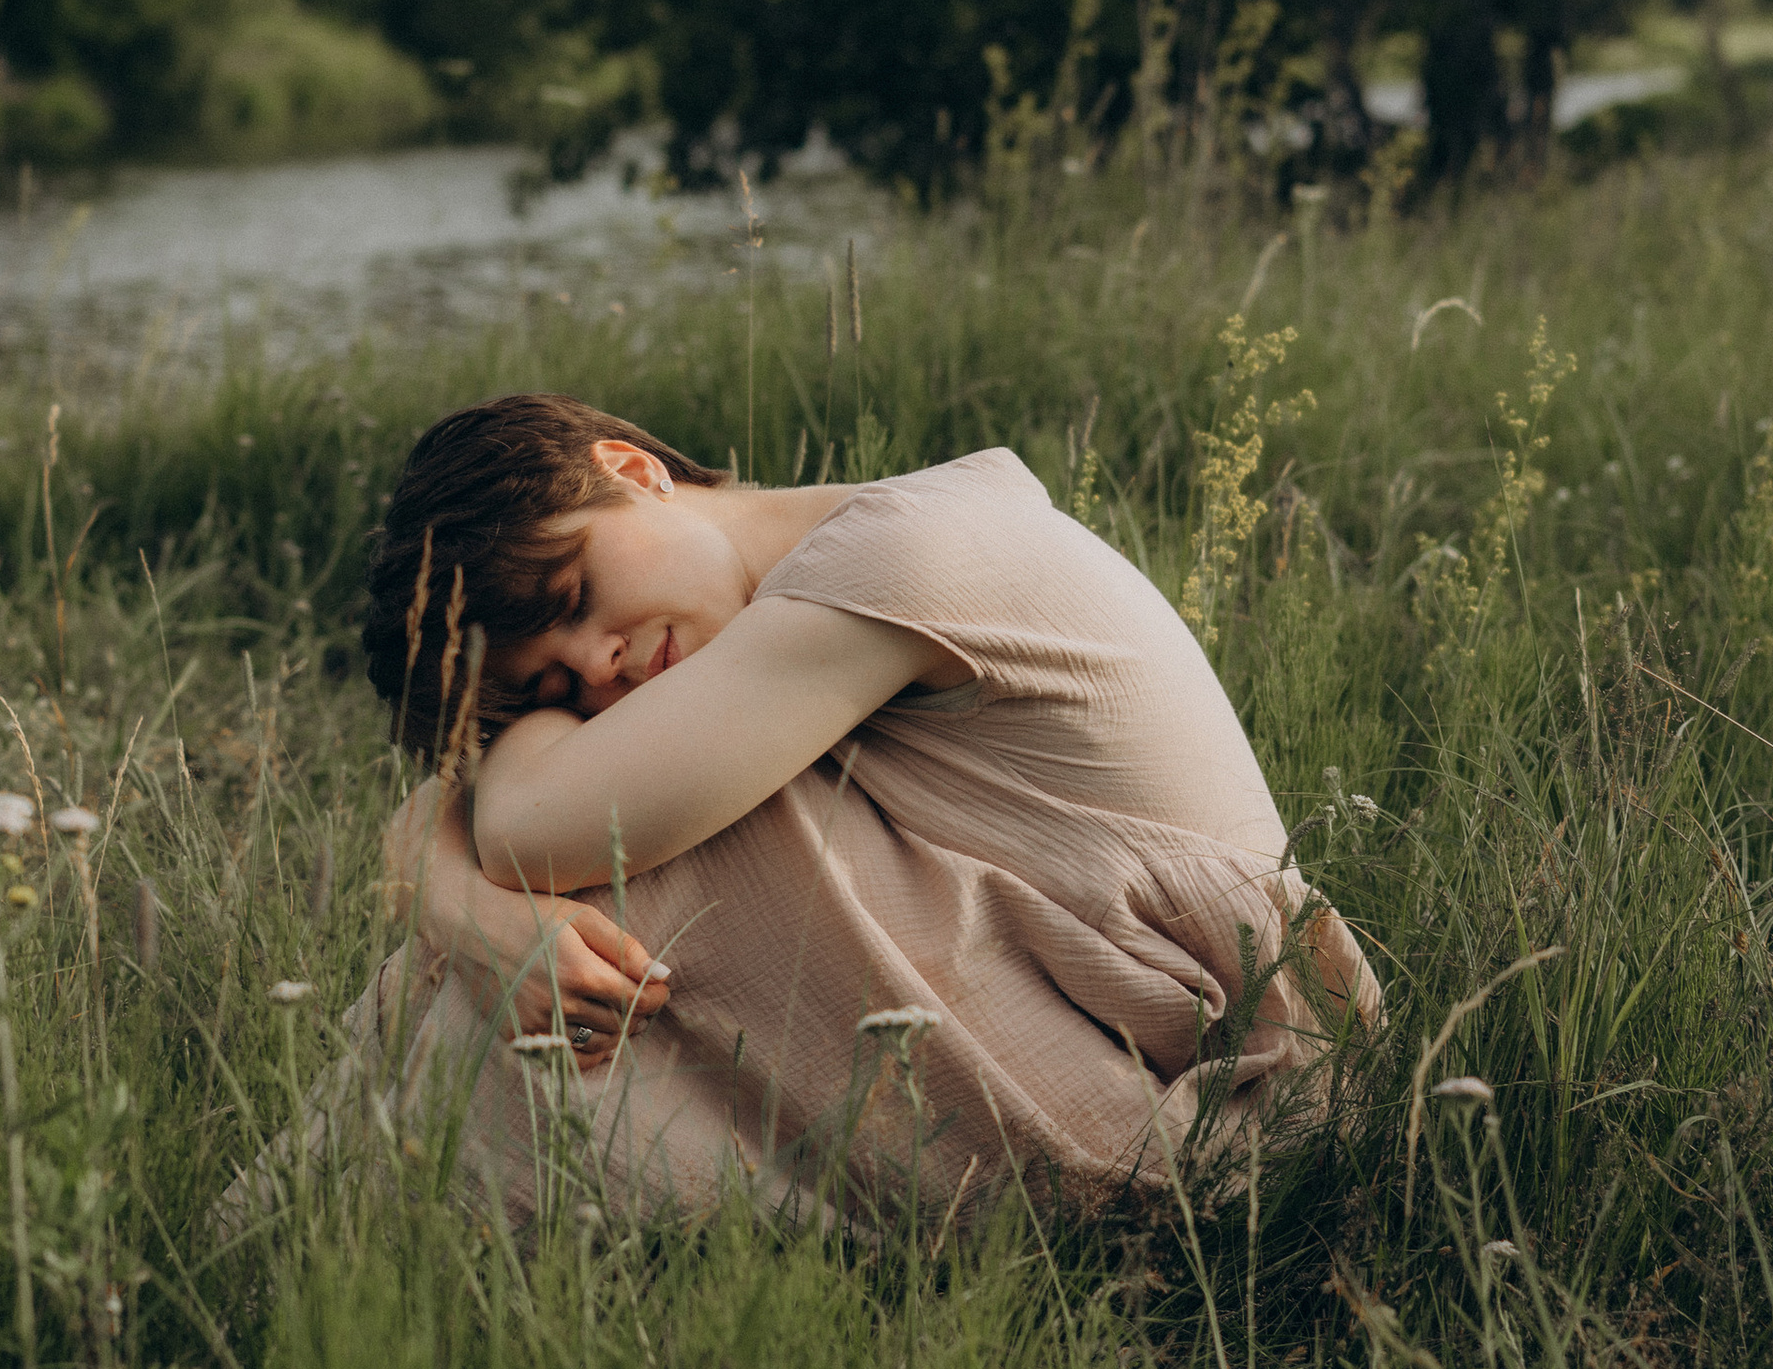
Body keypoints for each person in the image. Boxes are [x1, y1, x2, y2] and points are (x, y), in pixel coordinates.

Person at [335, 394, 1378, 1223]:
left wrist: (462, 892)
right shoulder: (861, 554)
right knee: (613, 885)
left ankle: (367, 1217)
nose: (600, 670)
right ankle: (422, 1213)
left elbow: (528, 828)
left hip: (1213, 1082)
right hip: (1125, 1027)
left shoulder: (900, 558)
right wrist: (463, 902)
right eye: (557, 696)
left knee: (647, 870)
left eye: (569, 600)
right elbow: (482, 810)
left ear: (631, 470)